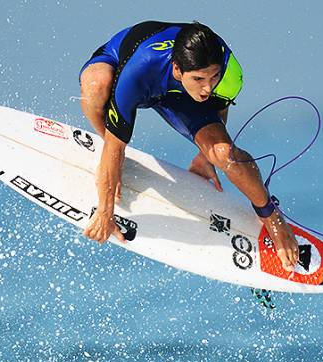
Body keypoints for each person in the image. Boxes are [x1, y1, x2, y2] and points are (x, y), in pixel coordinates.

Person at [78, 20, 299, 273]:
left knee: (224, 153)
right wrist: (106, 210)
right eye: (200, 78)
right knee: (96, 85)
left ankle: (272, 218)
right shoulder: (137, 72)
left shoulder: (228, 73)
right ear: (176, 68)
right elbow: (116, 144)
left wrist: (207, 156)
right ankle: (108, 155)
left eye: (214, 76)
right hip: (129, 70)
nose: (208, 86)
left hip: (183, 96)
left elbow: (216, 109)